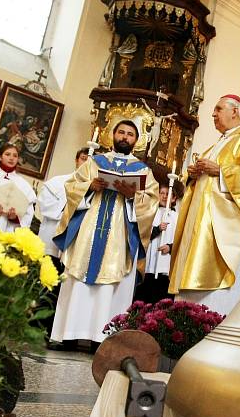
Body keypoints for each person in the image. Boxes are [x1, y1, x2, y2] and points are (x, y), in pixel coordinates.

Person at [49, 120, 158, 349]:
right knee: (78, 277)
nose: (125, 137)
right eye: (121, 132)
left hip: (119, 232)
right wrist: (89, 186)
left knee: (111, 281)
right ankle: (67, 334)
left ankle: (104, 340)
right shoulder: (95, 162)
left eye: (130, 134)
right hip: (89, 227)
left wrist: (132, 196)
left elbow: (151, 201)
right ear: (113, 135)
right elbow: (72, 185)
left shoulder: (142, 170)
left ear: (135, 141)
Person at [168, 95, 240, 315]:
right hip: (199, 226)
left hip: (225, 227)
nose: (213, 114)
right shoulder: (216, 145)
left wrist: (221, 171)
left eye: (218, 109)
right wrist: (193, 176)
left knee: (217, 297)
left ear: (235, 111)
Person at [37, 147, 90, 268]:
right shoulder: (57, 182)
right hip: (50, 239)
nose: (86, 163)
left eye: (90, 162)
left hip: (73, 248)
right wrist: (70, 207)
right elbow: (45, 206)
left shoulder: (94, 191)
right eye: (83, 159)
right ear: (76, 160)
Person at [135, 186, 178, 304]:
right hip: (151, 264)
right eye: (161, 193)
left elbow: (181, 240)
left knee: (162, 300)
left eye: (168, 194)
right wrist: (157, 229)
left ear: (174, 198)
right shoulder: (152, 213)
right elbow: (143, 234)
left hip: (166, 266)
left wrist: (170, 247)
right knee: (145, 298)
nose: (164, 196)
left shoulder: (177, 217)